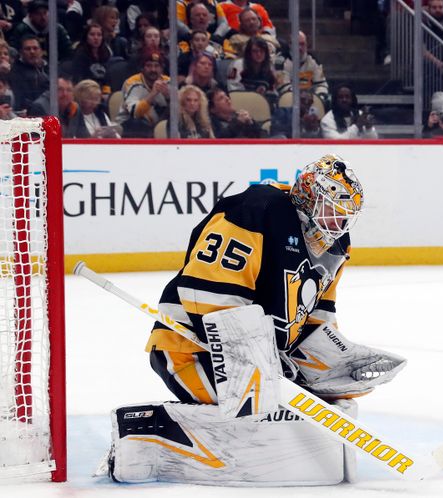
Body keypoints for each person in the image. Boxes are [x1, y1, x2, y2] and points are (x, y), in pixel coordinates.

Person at [105, 154, 405, 484]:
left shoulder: (336, 245)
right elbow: (209, 301)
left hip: (267, 362)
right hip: (191, 352)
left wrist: (337, 361)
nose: (337, 224)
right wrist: (263, 359)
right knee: (258, 407)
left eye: (345, 216)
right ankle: (152, 435)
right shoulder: (256, 211)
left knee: (326, 403)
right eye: (331, 210)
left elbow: (316, 319)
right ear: (307, 195)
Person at [116, 48, 170, 138]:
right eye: (149, 66)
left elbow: (180, 111)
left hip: (156, 125)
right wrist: (153, 94)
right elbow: (134, 113)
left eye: (156, 66)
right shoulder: (132, 82)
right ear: (142, 68)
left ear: (161, 69)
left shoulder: (168, 82)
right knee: (138, 123)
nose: (153, 69)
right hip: (129, 125)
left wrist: (168, 97)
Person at [8, 0, 72, 61]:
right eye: (38, 14)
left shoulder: (58, 29)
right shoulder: (21, 30)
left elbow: (68, 52)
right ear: (30, 16)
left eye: (45, 13)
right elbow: (15, 52)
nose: (43, 17)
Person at [276, 31, 329, 100]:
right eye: (296, 44)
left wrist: (319, 98)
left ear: (306, 45)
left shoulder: (313, 61)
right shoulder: (281, 62)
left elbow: (321, 84)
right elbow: (283, 87)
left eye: (302, 44)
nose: (300, 48)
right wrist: (301, 98)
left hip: (310, 100)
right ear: (290, 45)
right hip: (289, 100)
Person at [70, 22, 113, 98]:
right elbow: (78, 79)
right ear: (86, 37)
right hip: (86, 92)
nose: (96, 38)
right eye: (92, 34)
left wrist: (106, 93)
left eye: (99, 35)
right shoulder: (80, 54)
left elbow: (108, 78)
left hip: (102, 92)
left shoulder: (106, 53)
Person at [8, 35, 48, 114]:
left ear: (41, 51)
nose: (32, 51)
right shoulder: (15, 72)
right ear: (21, 52)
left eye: (35, 48)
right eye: (28, 49)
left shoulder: (50, 69)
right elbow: (20, 98)